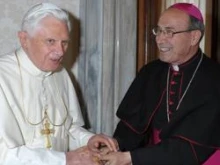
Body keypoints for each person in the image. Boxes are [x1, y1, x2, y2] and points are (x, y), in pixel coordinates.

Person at [100, 3, 220, 165]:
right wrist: (115, 146)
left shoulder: (214, 79)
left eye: (169, 32)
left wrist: (131, 158)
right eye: (159, 31)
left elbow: (192, 148)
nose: (160, 39)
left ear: (194, 37)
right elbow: (132, 126)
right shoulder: (150, 72)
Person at [0, 2, 116, 165]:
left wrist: (89, 140)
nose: (60, 51)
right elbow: (3, 154)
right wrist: (65, 159)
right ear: (24, 39)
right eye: (50, 41)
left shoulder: (61, 74)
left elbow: (68, 129)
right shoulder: (2, 77)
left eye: (65, 42)